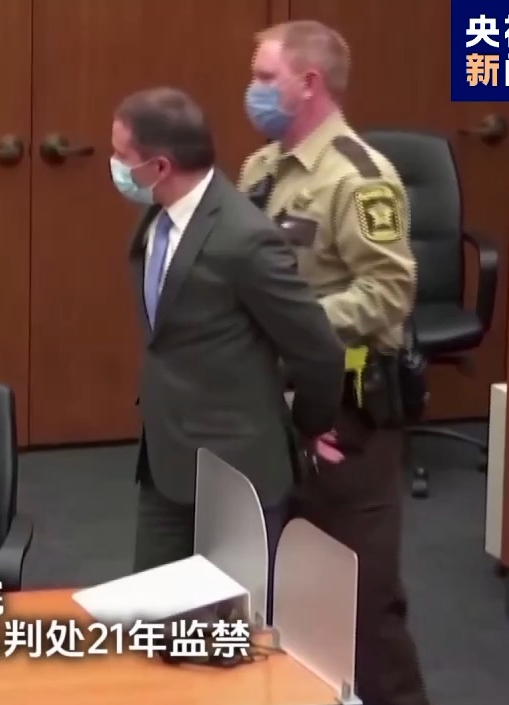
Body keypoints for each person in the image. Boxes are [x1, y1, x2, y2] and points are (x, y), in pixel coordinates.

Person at [236, 20, 433, 705]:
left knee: (362, 606)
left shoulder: (358, 176)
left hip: (347, 413)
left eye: (265, 77)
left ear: (308, 82)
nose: (253, 90)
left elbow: (388, 293)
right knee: (279, 596)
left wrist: (296, 323)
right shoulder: (261, 171)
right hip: (274, 408)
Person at [111, 87, 345, 580]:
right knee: (150, 611)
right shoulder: (156, 219)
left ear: (159, 166)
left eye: (122, 157)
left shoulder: (245, 239)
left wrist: (307, 424)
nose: (115, 167)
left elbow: (318, 349)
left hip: (236, 470)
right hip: (166, 460)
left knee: (233, 619)